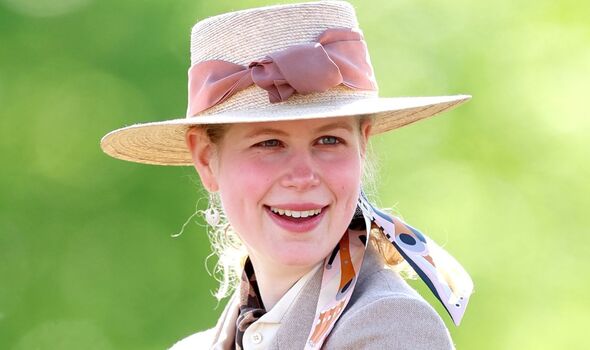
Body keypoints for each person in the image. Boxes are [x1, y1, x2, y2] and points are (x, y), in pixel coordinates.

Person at [100, 1, 474, 349]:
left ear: (362, 146)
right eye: (269, 143)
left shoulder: (393, 329)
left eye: (328, 140)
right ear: (205, 158)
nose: (302, 176)